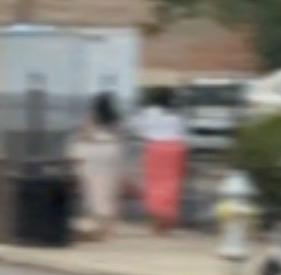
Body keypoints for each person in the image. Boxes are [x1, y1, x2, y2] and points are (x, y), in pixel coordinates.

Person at [68, 93, 133, 239]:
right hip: (111, 150)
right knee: (111, 188)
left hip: (92, 152)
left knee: (93, 188)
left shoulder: (91, 118)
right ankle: (110, 226)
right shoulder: (116, 118)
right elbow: (122, 137)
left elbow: (84, 135)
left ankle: (99, 221)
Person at [131, 88, 193, 233]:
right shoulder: (177, 113)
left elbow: (138, 128)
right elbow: (184, 133)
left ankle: (157, 221)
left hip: (156, 149)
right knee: (172, 185)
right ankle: (168, 220)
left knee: (154, 185)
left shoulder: (150, 112)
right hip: (176, 149)